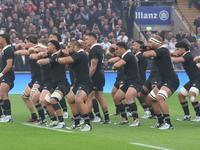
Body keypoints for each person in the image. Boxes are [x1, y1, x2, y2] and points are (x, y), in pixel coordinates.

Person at [142, 36, 180, 130]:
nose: (150, 45)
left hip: (171, 80)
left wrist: (147, 45)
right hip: (164, 80)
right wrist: (146, 45)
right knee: (151, 98)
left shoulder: (162, 50)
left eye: (151, 42)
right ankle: (160, 122)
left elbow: (145, 54)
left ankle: (168, 123)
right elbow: (141, 50)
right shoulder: (159, 50)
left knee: (159, 97)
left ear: (156, 43)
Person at [56, 40, 93, 131]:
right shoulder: (75, 54)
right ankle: (77, 123)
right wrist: (61, 52)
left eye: (69, 47)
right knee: (70, 99)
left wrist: (55, 59)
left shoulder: (80, 54)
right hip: (77, 83)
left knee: (79, 99)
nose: (67, 49)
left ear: (75, 47)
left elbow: (63, 60)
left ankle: (88, 124)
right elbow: (59, 54)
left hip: (85, 82)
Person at [37, 40, 70, 128]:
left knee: (53, 100)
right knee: (45, 101)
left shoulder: (56, 56)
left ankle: (62, 122)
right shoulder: (53, 55)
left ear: (54, 47)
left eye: (48, 45)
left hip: (62, 83)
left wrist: (40, 60)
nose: (47, 47)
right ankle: (54, 121)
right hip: (56, 84)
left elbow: (46, 61)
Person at [111, 42, 142, 126]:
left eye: (117, 49)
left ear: (123, 49)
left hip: (135, 81)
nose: (116, 51)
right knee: (117, 99)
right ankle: (124, 120)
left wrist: (114, 65)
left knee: (129, 97)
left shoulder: (129, 55)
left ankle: (136, 120)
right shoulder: (124, 55)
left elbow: (118, 64)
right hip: (127, 81)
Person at [15, 34, 42, 122]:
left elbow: (20, 52)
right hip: (34, 78)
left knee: (35, 96)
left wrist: (15, 51)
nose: (26, 44)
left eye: (27, 42)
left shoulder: (38, 49)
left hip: (40, 77)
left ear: (31, 43)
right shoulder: (32, 50)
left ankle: (44, 117)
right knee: (24, 96)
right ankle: (34, 116)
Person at [85, 32, 111, 124]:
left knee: (89, 96)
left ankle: (86, 119)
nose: (85, 41)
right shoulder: (100, 48)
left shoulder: (94, 50)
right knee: (100, 97)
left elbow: (93, 66)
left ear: (92, 40)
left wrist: (87, 78)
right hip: (101, 75)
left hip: (95, 76)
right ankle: (107, 118)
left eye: (87, 39)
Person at [172, 41, 200, 122]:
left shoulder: (188, 55)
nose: (176, 51)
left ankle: (199, 116)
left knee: (191, 94)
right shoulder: (186, 54)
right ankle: (187, 116)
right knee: (180, 95)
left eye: (178, 49)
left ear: (183, 49)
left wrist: (166, 56)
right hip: (192, 80)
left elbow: (176, 61)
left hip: (198, 79)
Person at [132, 40, 150, 119]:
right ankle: (130, 111)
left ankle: (148, 112)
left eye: (134, 45)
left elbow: (133, 61)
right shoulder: (137, 55)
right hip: (137, 77)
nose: (133, 46)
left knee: (139, 95)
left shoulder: (141, 55)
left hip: (140, 78)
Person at [0, 34, 15, 122]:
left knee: (3, 93)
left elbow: (9, 65)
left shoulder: (9, 50)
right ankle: (4, 115)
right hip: (4, 74)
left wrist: (1, 74)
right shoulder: (4, 50)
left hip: (7, 75)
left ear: (4, 40)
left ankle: (8, 116)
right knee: (1, 94)